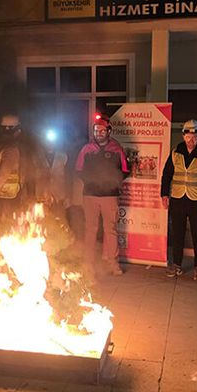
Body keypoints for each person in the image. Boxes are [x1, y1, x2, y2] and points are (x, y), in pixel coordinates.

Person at [160, 119, 197, 282]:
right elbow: (167, 174)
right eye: (188, 136)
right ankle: (177, 265)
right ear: (183, 136)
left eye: (194, 136)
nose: (191, 139)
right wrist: (164, 194)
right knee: (177, 234)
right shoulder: (176, 152)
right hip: (178, 199)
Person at [75, 115, 129, 276]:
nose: (98, 133)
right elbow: (78, 170)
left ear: (109, 131)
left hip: (110, 196)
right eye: (96, 130)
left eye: (102, 130)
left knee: (110, 229)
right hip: (90, 195)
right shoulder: (87, 149)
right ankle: (88, 264)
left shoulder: (116, 149)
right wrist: (91, 182)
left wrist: (112, 182)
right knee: (90, 229)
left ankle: (113, 263)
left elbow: (125, 170)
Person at [0, 114, 49, 225]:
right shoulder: (11, 148)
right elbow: (3, 174)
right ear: (16, 129)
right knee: (8, 225)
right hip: (8, 194)